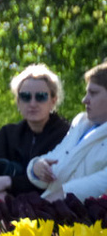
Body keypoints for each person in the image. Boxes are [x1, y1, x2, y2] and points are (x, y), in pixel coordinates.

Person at [0, 64, 70, 199]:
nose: (32, 103)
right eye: (25, 97)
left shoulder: (67, 134)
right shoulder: (8, 134)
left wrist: (9, 182)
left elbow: (56, 178)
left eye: (40, 97)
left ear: (53, 101)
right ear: (18, 102)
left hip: (48, 208)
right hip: (7, 207)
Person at [27, 62, 107, 201]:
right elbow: (55, 160)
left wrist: (62, 195)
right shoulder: (81, 124)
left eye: (93, 93)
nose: (84, 100)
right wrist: (36, 167)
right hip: (53, 209)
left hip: (86, 219)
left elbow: (102, 182)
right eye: (86, 92)